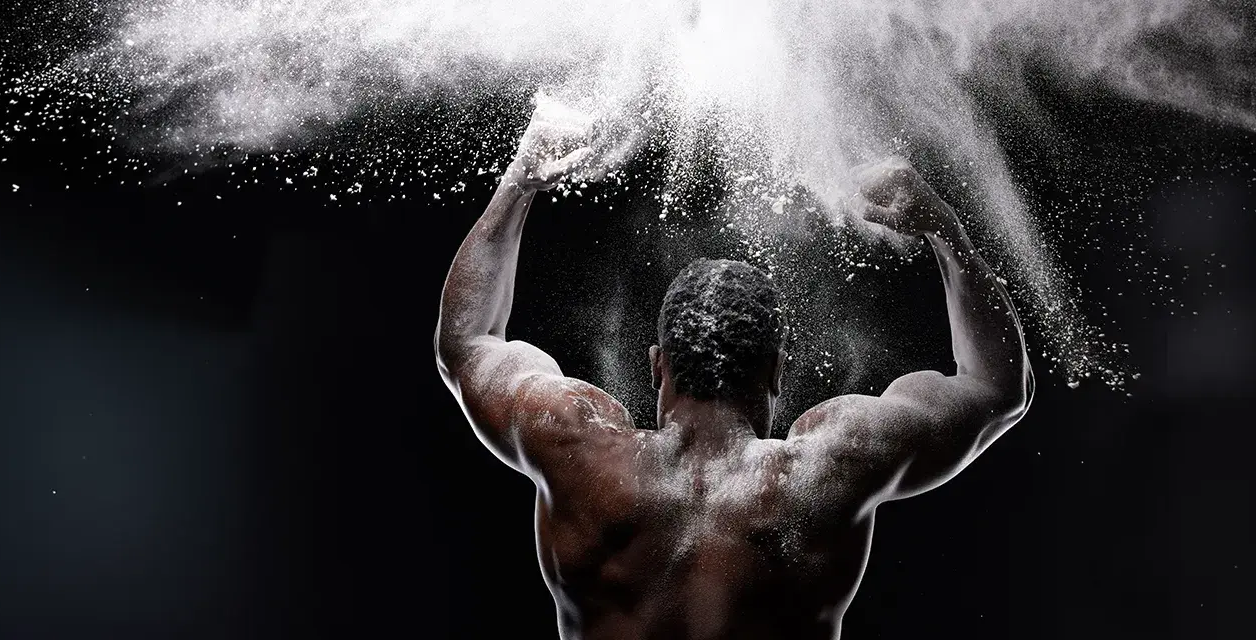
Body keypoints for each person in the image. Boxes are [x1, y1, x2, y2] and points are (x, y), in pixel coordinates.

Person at [434, 111, 1034, 640]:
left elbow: (466, 341)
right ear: (776, 371)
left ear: (658, 364)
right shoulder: (826, 469)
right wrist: (945, 232)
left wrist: (519, 182)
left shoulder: (576, 446)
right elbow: (997, 386)